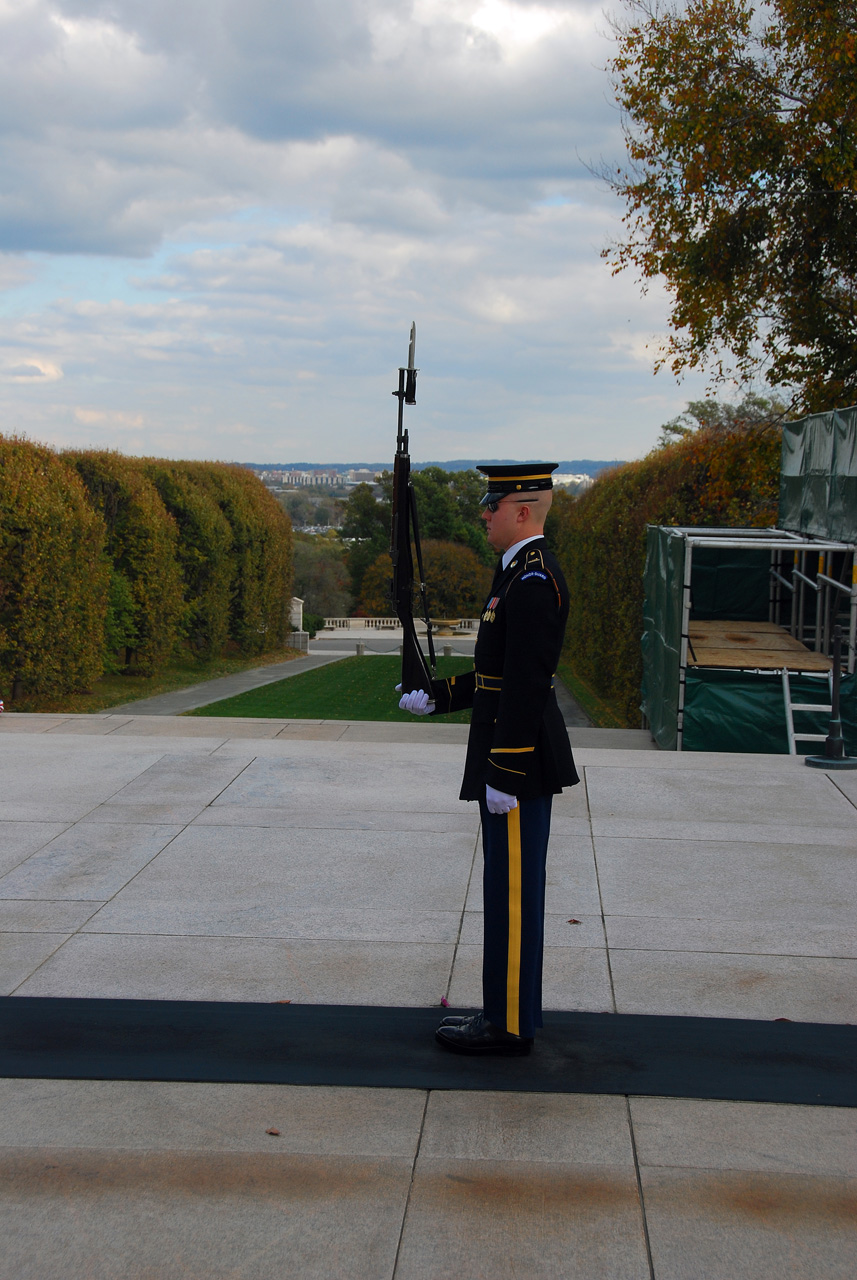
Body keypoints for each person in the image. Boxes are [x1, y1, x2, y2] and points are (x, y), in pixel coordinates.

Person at [399, 462, 579, 1055]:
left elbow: (527, 687)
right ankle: (508, 1013)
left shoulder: (532, 582)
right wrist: (440, 696)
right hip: (511, 763)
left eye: (492, 504)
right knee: (507, 895)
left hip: (518, 770)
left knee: (514, 899)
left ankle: (506, 1025)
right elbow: (495, 679)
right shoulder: (513, 575)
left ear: (522, 511)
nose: (483, 513)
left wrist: (503, 773)